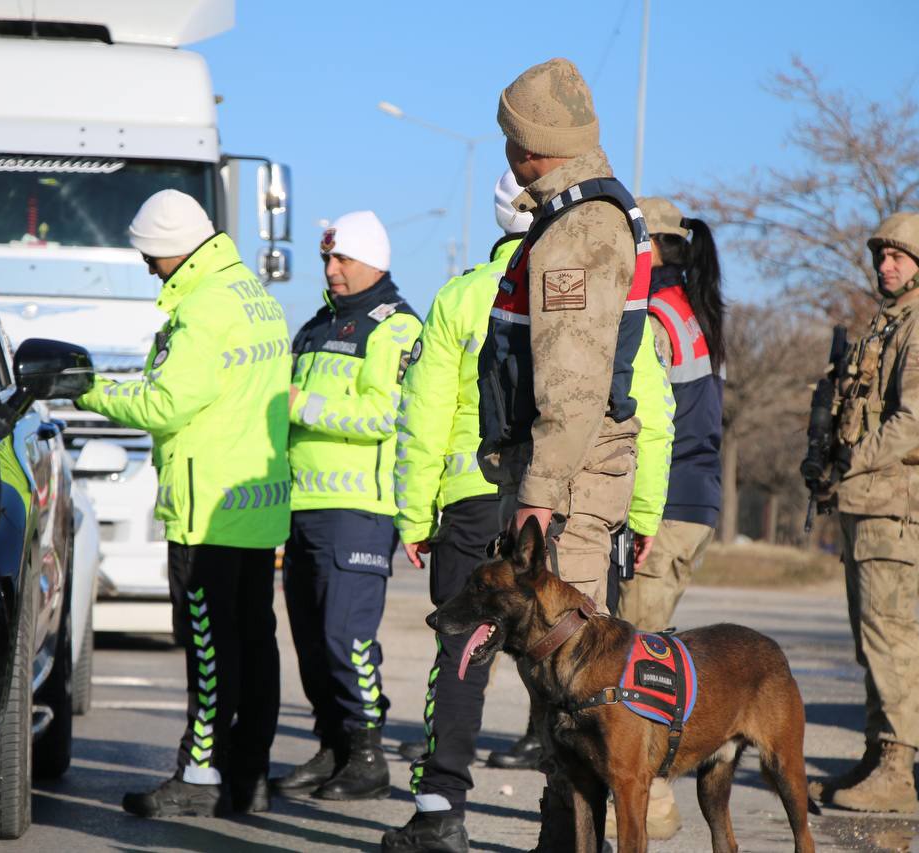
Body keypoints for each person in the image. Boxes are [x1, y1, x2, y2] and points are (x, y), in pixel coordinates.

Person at [383, 170, 673, 852]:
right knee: (574, 667)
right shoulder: (597, 280)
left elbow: (420, 414)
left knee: (461, 653)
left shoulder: (461, 295)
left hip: (470, 498)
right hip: (567, 502)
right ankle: (568, 826)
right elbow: (649, 409)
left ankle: (439, 808)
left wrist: (412, 513)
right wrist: (646, 509)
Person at [475, 57, 653, 848]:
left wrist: (538, 497)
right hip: (566, 479)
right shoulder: (571, 215)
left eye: (511, 140)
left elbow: (575, 386)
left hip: (569, 486)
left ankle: (568, 840)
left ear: (531, 150)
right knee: (562, 685)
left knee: (573, 681)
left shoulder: (580, 227)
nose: (506, 155)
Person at [77, 189, 291, 819]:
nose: (148, 268)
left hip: (207, 511)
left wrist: (87, 389)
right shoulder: (257, 298)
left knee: (208, 650)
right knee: (256, 646)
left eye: (150, 257)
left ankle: (198, 778)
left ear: (172, 250)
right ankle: (246, 777)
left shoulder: (202, 311)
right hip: (256, 505)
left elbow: (165, 404)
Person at [809, 212, 919, 813]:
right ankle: (878, 758)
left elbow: (917, 422)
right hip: (870, 504)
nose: (885, 265)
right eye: (881, 255)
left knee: (891, 633)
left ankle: (897, 771)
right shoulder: (892, 323)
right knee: (871, 635)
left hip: (894, 505)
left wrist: (850, 463)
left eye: (898, 257)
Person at [272, 211, 422, 801]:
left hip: (358, 508)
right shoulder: (313, 326)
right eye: (326, 260)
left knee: (345, 638)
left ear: (375, 262)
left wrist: (300, 403)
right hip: (300, 505)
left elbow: (386, 415)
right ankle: (333, 745)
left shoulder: (397, 328)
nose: (330, 270)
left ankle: (368, 757)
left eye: (343, 260)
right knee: (310, 641)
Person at [608, 196, 726, 840]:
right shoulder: (693, 308)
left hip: (666, 504)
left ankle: (648, 808)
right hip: (690, 502)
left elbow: (644, 418)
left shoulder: (653, 313)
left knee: (636, 662)